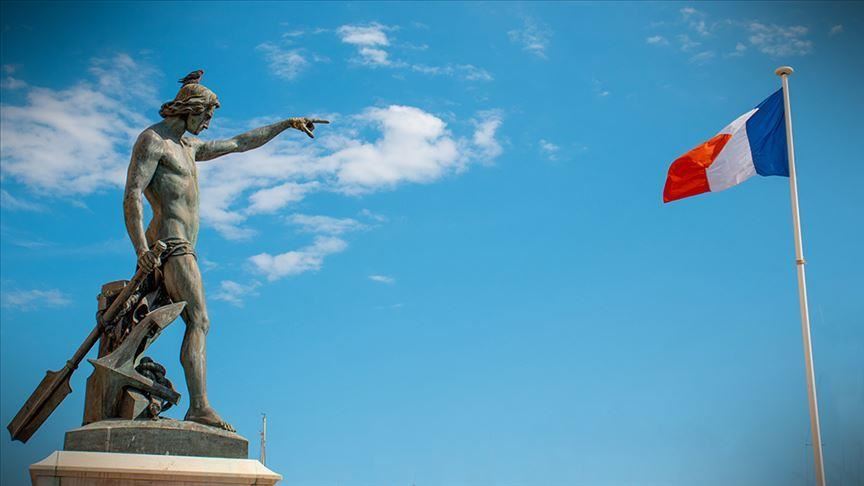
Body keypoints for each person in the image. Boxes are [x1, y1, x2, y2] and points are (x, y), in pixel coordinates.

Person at [123, 73, 328, 430]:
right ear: (191, 109)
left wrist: (286, 124)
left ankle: (158, 391)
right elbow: (132, 194)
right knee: (199, 320)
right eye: (206, 115)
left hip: (180, 247)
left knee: (156, 324)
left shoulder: (189, 147)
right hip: (170, 245)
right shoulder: (154, 141)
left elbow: (238, 143)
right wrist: (141, 248)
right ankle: (199, 406)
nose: (208, 123)